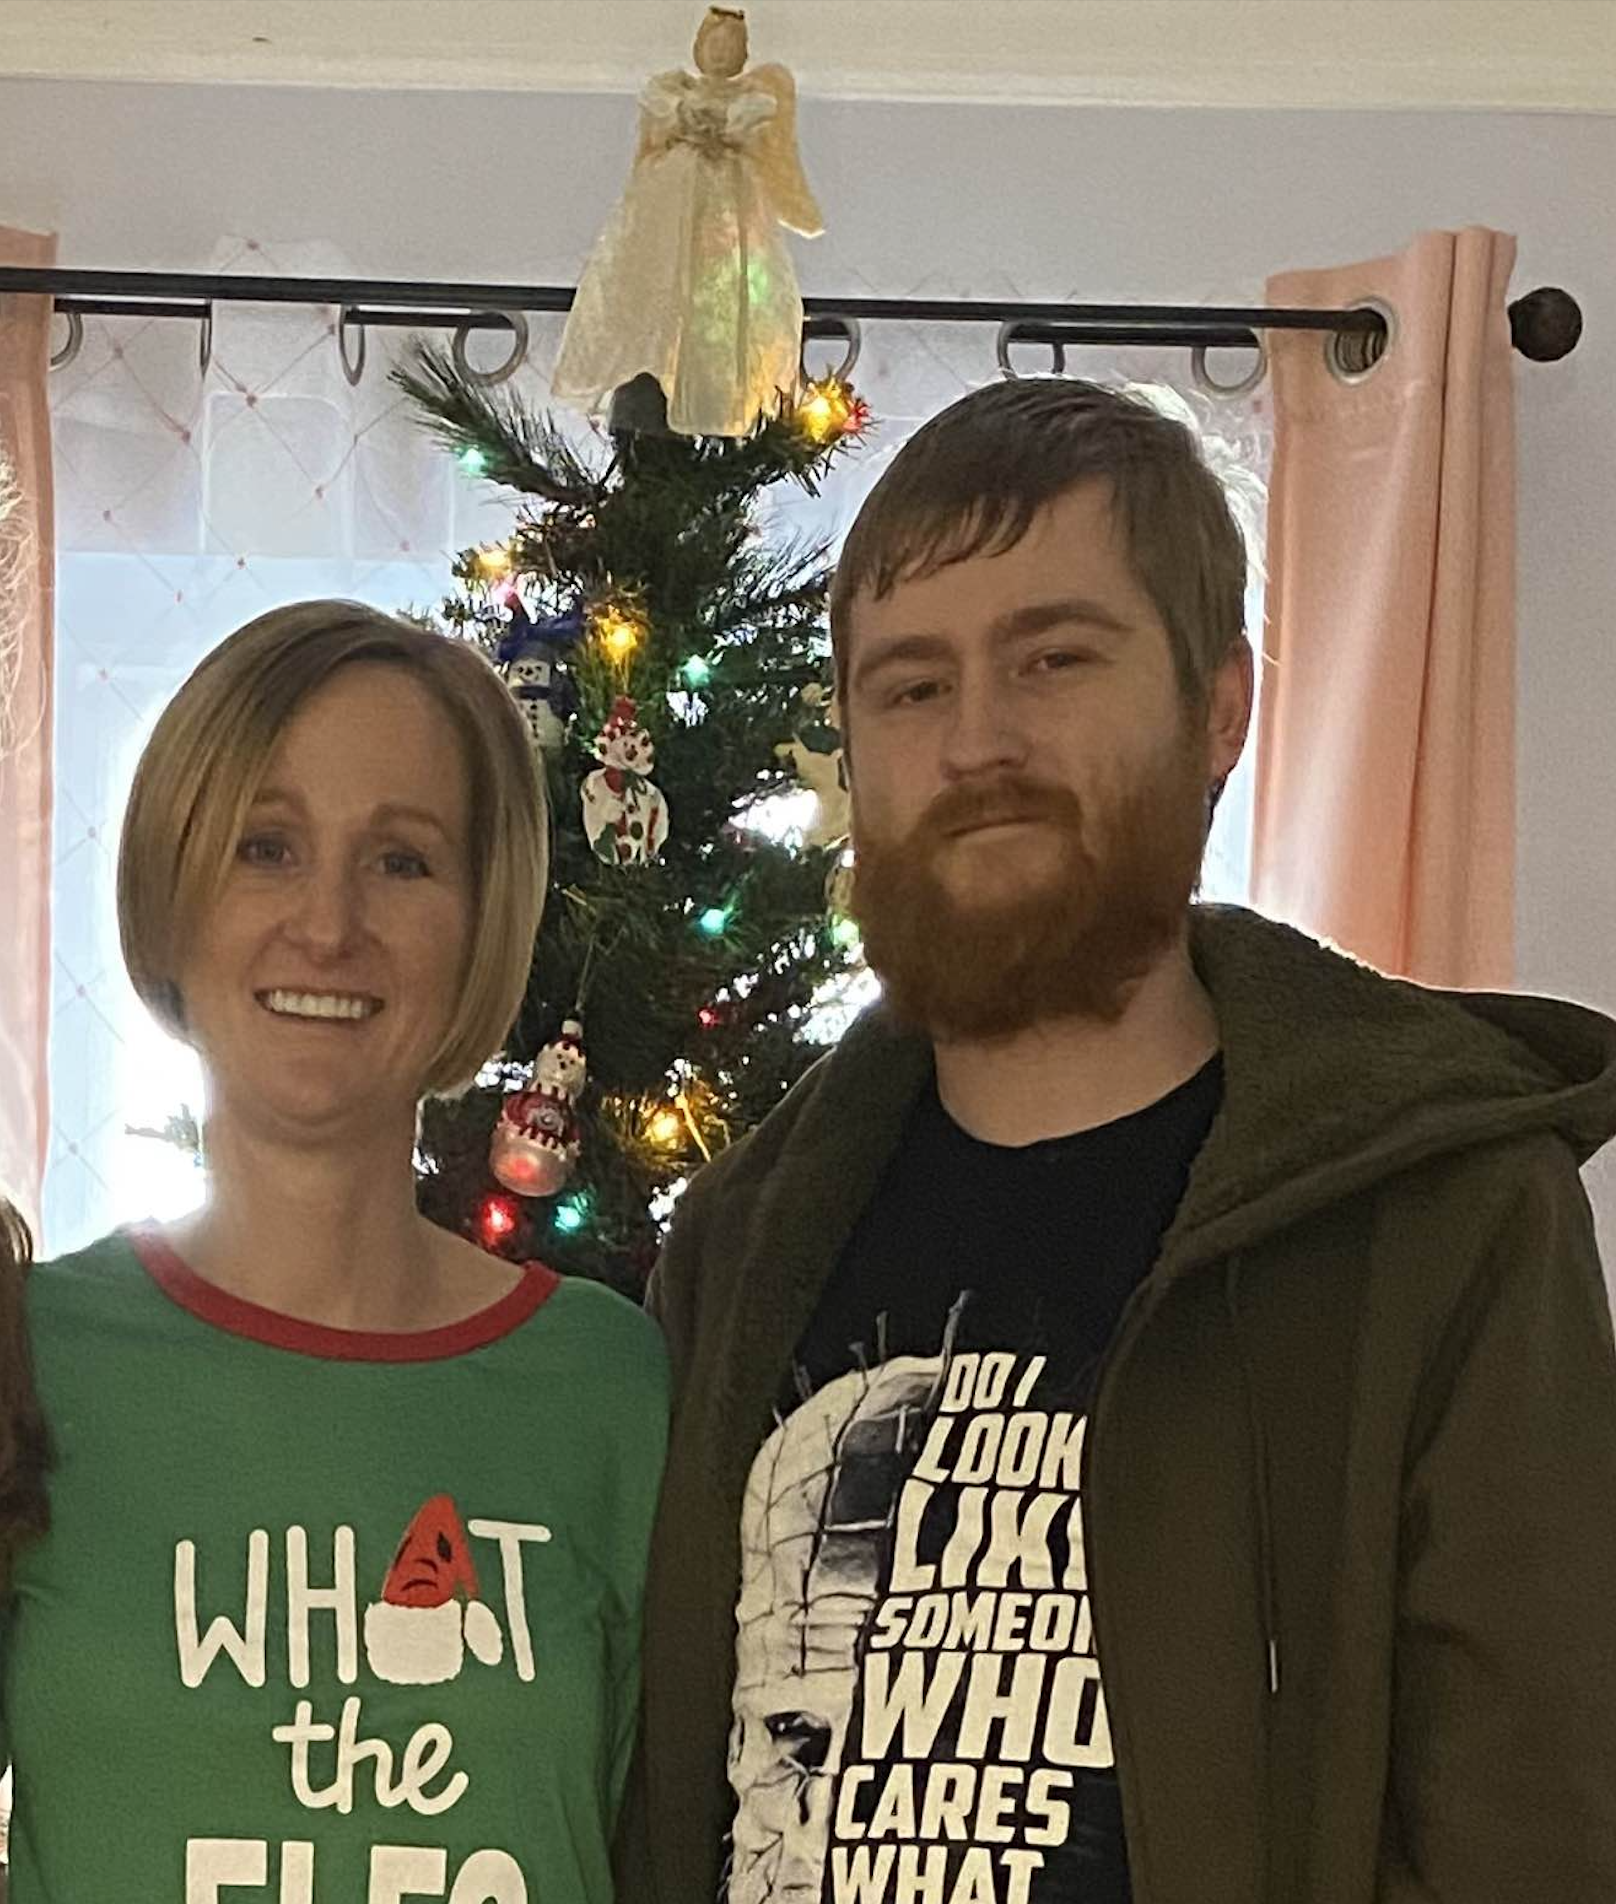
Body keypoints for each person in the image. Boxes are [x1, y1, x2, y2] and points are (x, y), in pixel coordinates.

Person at [622, 378, 1616, 1904]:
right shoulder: (737, 1247)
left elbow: (1529, 1838)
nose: (978, 741)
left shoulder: (1449, 1217)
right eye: (910, 687)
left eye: (1054, 658)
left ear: (1221, 707)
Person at [0, 603, 666, 1901]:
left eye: (403, 861)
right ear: (173, 889)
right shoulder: (34, 1355)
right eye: (266, 847)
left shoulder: (612, 1387)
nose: (327, 922)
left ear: (482, 924)